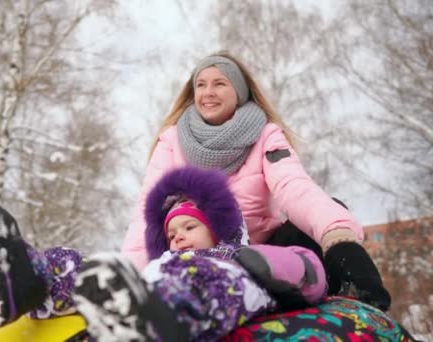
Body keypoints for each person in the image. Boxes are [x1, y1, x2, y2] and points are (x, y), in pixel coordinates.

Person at [121, 52, 391, 311]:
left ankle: (339, 295)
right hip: (198, 257)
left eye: (219, 83)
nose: (208, 92)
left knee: (317, 221)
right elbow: (146, 215)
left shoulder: (265, 134)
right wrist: (128, 284)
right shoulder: (172, 140)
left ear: (239, 91)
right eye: (201, 85)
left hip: (262, 254)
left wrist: (339, 238)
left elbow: (293, 187)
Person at [0, 166, 327, 341]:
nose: (178, 237)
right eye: (171, 233)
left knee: (200, 280)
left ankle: (152, 323)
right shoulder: (164, 261)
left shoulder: (232, 260)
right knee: (85, 269)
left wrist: (269, 264)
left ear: (215, 227)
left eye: (189, 227)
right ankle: (24, 280)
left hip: (198, 291)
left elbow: (306, 271)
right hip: (148, 288)